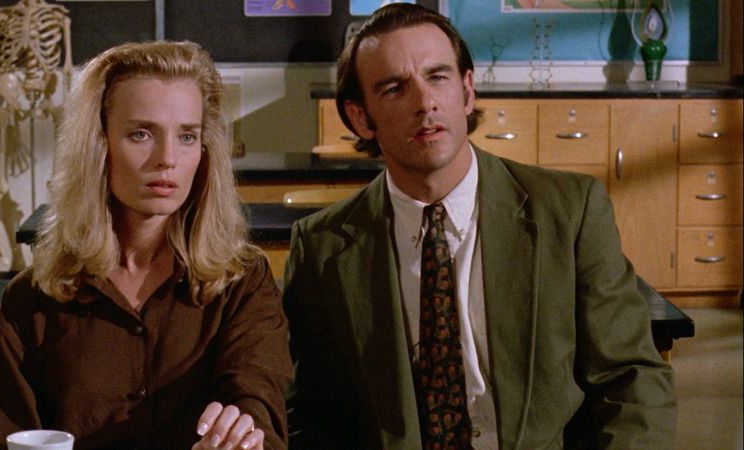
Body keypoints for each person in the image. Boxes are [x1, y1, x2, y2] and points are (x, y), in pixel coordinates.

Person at [282, 4, 676, 449]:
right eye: (394, 88)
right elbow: (312, 415)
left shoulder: (568, 212)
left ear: (467, 92)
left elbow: (631, 379)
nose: (425, 102)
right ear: (360, 117)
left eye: (438, 77)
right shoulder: (321, 248)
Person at [0, 41, 293, 450]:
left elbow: (258, 400)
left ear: (204, 151)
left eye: (187, 136)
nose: (167, 158)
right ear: (98, 144)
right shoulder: (32, 301)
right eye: (141, 134)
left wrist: (240, 432)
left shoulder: (242, 283)